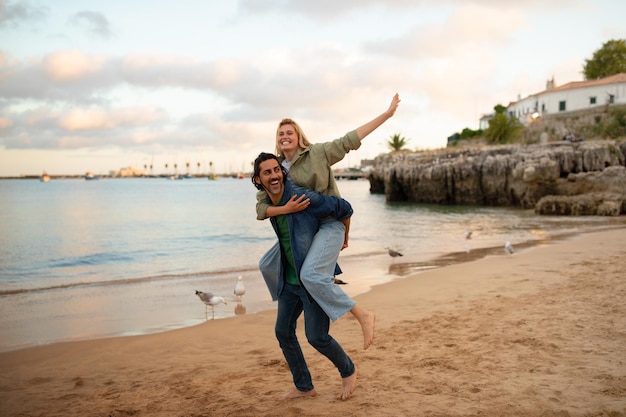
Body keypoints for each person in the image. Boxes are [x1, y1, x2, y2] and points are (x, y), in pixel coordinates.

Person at [257, 93, 401, 350]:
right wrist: (285, 209)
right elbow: (261, 205)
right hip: (304, 228)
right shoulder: (277, 168)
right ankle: (295, 298)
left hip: (329, 222)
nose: (285, 136)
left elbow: (350, 140)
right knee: (268, 264)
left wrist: (386, 115)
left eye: (290, 132)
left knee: (311, 274)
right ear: (277, 141)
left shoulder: (318, 153)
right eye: (281, 133)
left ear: (298, 136)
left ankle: (362, 314)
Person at [252, 152, 359, 401]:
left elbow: (344, 208)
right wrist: (282, 209)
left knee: (317, 337)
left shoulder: (302, 195)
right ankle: (304, 387)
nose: (274, 175)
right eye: (267, 172)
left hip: (311, 280)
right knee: (283, 332)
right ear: (259, 180)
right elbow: (260, 211)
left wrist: (344, 237)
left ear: (283, 171)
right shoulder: (267, 201)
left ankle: (348, 370)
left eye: (277, 170)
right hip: (289, 280)